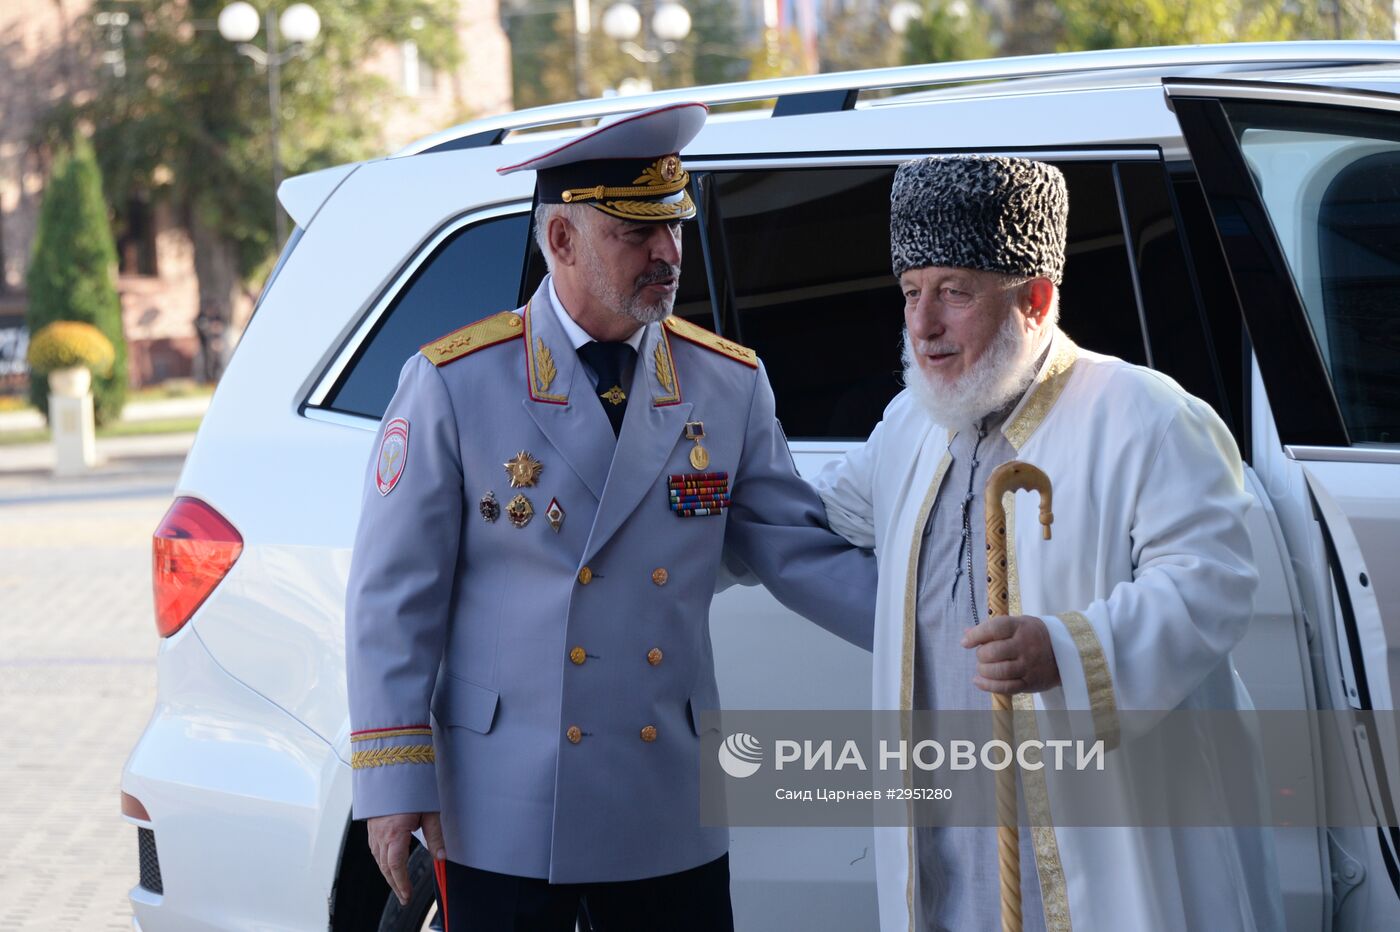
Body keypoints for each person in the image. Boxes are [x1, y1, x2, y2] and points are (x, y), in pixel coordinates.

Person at [344, 102, 876, 932]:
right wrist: (393, 783)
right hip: (505, 802)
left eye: (673, 228)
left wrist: (953, 625)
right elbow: (392, 601)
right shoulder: (456, 382)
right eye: (637, 235)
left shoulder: (725, 383)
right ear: (561, 242)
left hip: (664, 800)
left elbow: (799, 553)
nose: (668, 254)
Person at [813, 154, 1283, 931]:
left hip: (1103, 838)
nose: (923, 325)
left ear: (1035, 298)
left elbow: (1212, 583)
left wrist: (1066, 650)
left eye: (955, 293)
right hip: (949, 838)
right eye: (911, 293)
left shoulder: (1144, 414)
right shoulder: (911, 427)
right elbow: (821, 517)